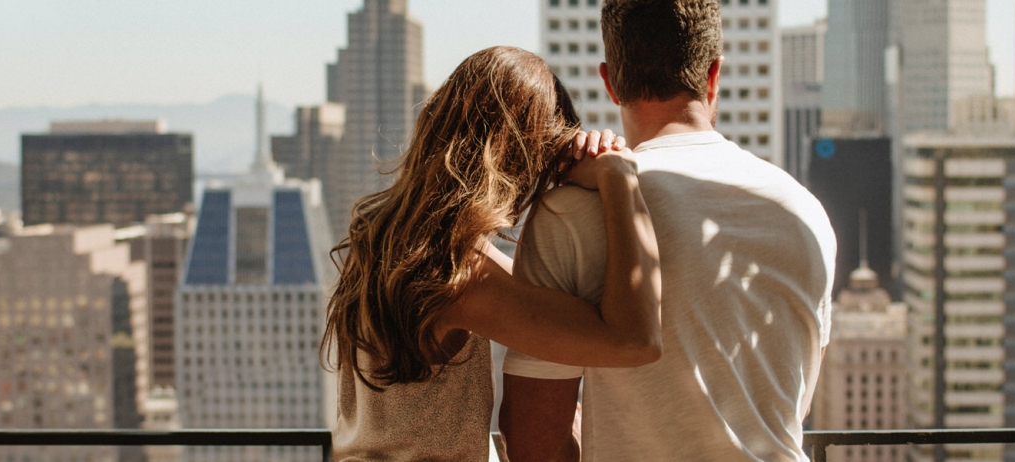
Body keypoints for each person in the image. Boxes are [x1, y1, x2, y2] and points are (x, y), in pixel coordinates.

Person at [498, 0, 839, 460]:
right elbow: (790, 406)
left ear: (610, 82)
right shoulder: (804, 211)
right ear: (714, 75)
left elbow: (535, 440)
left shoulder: (572, 211)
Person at [324, 45, 662, 461]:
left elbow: (527, 290)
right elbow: (635, 341)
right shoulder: (457, 277)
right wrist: (617, 178)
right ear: (518, 158)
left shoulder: (381, 235)